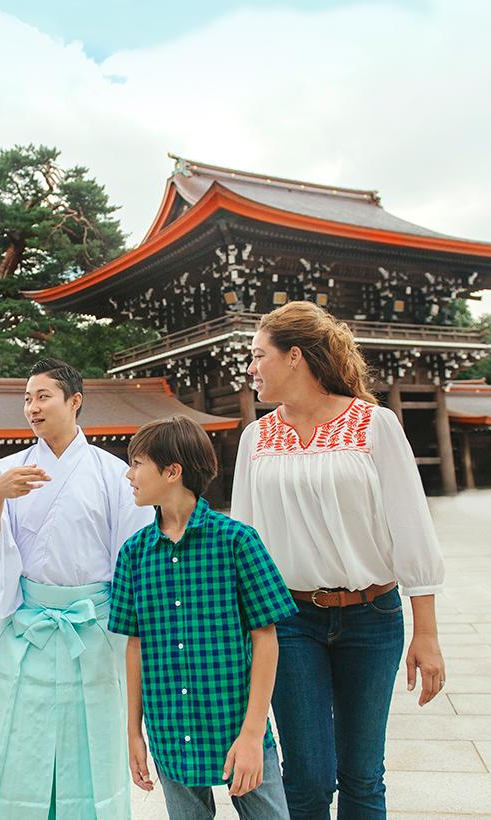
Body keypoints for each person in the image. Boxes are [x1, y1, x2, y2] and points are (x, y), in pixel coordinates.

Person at [231, 300, 446, 819]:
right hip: (289, 621)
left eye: (259, 356)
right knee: (306, 778)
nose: (251, 368)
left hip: (373, 618)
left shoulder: (376, 425)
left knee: (362, 775)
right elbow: (243, 543)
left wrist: (427, 633)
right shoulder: (255, 439)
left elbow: (411, 525)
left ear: (295, 357)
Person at [0, 358, 152, 819]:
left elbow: (133, 556)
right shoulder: (8, 469)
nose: (32, 407)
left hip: (95, 628)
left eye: (43, 396)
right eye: (27, 399)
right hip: (30, 624)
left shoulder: (111, 473)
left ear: (74, 401)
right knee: (17, 739)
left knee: (91, 744)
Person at [108, 416, 296, 819]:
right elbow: (135, 646)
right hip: (170, 732)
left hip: (236, 726)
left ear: (172, 471)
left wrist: (252, 735)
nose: (129, 474)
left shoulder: (237, 541)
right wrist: (133, 733)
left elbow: (267, 638)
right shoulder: (133, 555)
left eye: (137, 463)